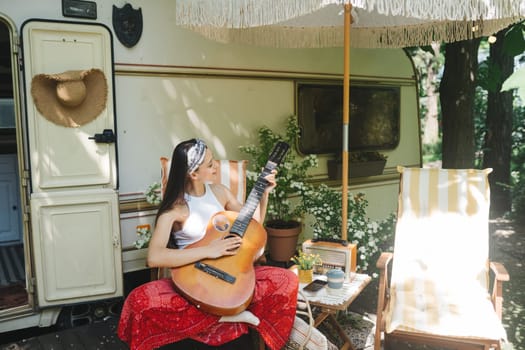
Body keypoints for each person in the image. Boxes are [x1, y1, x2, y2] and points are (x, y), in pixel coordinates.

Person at [118, 139, 299, 350]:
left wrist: (264, 193)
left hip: (231, 269)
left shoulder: (220, 192)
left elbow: (253, 225)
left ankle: (228, 311)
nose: (217, 167)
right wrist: (210, 250)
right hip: (195, 277)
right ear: (193, 174)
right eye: (211, 164)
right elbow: (154, 257)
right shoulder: (176, 208)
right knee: (138, 302)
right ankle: (230, 316)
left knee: (287, 280)